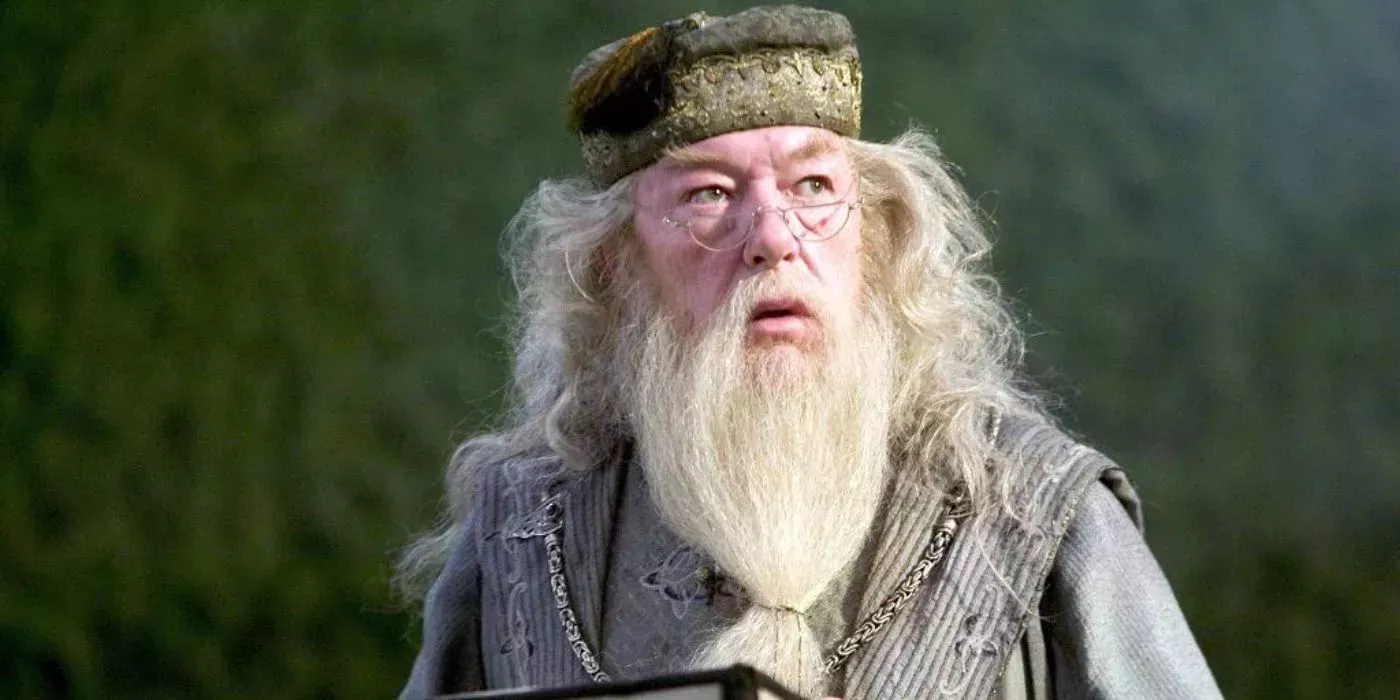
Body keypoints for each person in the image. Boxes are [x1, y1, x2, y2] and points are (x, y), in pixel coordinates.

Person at [397, 6, 1221, 699]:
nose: (773, 236)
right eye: (708, 193)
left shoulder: (1039, 514)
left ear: (878, 239)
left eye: (814, 187)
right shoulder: (520, 535)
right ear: (617, 268)